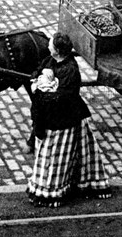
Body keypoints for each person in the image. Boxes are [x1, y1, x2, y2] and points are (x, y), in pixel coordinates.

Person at [27, 32, 111, 208]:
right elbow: (38, 69)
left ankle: (52, 191)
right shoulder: (51, 60)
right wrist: (38, 77)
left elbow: (61, 98)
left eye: (50, 45)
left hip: (62, 120)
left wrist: (39, 90)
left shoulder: (70, 71)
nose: (48, 46)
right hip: (51, 116)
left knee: (54, 156)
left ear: (57, 51)